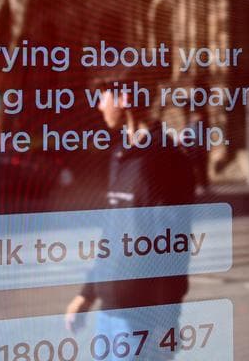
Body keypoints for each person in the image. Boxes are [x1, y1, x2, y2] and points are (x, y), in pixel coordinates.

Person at [64, 75, 195, 340]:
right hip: (111, 309)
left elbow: (173, 243)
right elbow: (112, 234)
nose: (99, 106)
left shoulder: (162, 159)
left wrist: (166, 319)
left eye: (103, 96)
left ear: (125, 98)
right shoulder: (121, 155)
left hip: (143, 316)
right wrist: (87, 293)